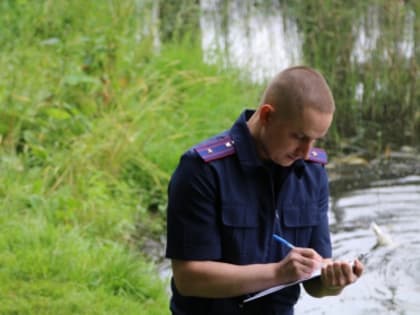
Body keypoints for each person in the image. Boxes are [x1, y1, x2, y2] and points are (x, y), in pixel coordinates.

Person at [165, 66, 364, 315]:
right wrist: (278, 273)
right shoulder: (202, 170)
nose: (305, 151)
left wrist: (333, 282)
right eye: (299, 136)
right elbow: (189, 278)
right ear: (267, 115)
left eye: (315, 140)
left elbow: (314, 285)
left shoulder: (313, 174)